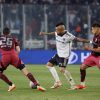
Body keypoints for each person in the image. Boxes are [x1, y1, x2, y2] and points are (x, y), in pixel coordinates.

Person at [39, 22, 90, 90]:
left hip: (64, 55)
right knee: (48, 65)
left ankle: (73, 85)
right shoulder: (57, 32)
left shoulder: (69, 36)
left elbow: (79, 39)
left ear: (61, 30)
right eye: (56, 30)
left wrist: (90, 42)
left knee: (62, 70)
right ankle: (58, 82)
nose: (56, 31)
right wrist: (45, 34)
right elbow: (53, 33)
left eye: (57, 30)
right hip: (58, 54)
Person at [0, 27, 46, 92]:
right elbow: (18, 50)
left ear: (3, 33)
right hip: (14, 57)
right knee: (25, 72)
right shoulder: (13, 38)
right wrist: (14, 56)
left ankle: (11, 84)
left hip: (5, 58)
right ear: (9, 32)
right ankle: (37, 84)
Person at [76, 22, 100, 89]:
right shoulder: (95, 35)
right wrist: (84, 41)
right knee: (82, 67)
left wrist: (89, 48)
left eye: (92, 29)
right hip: (93, 56)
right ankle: (82, 85)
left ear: (97, 29)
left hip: (99, 56)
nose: (92, 31)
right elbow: (93, 43)